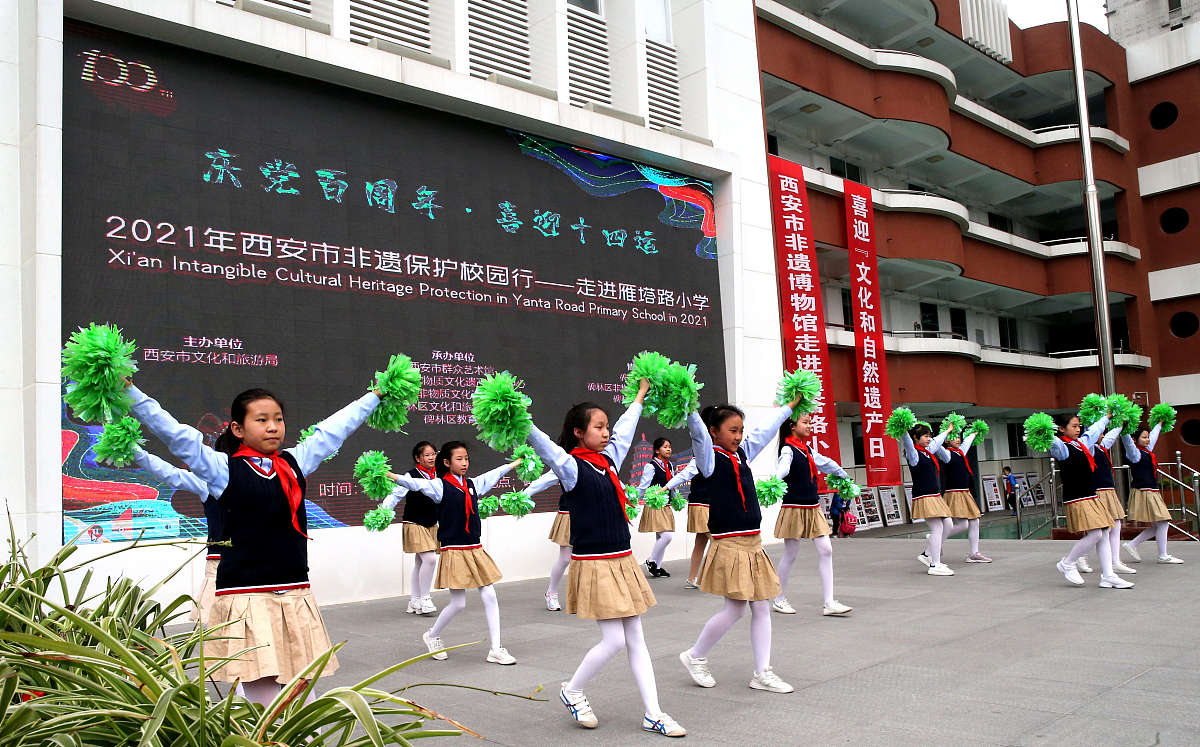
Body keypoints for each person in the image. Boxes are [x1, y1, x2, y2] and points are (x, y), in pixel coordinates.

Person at [128, 381, 382, 706]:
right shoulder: (222, 469)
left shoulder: (295, 462)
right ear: (237, 428)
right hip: (245, 595)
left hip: (293, 593)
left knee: (304, 699)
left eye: (278, 419)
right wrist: (129, 392)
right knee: (265, 708)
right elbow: (176, 435)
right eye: (261, 420)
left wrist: (374, 397)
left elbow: (332, 431)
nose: (272, 427)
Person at [525, 379, 686, 737]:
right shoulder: (569, 467)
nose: (606, 432)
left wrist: (640, 397)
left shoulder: (609, 460)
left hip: (622, 559)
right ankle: (572, 689)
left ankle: (653, 713)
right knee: (614, 641)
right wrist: (521, 419)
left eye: (606, 426)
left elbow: (626, 432)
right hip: (594, 563)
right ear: (580, 433)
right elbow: (546, 446)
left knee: (636, 638)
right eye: (598, 427)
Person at [678, 397, 803, 696]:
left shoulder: (742, 454)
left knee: (760, 608)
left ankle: (762, 672)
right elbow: (697, 434)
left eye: (740, 430)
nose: (738, 436)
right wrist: (688, 404)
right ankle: (695, 655)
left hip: (753, 542)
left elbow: (766, 430)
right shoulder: (708, 459)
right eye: (732, 430)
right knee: (735, 609)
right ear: (714, 432)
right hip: (730, 543)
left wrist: (790, 407)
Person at [384, 442, 521, 665]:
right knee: (459, 603)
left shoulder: (473, 484)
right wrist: (389, 475)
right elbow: (414, 483)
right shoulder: (439, 486)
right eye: (459, 459)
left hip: (474, 548)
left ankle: (496, 648)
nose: (464, 463)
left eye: (466, 458)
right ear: (446, 462)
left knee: (489, 593)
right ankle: (432, 634)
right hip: (454, 549)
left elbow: (494, 474)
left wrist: (515, 463)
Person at [771, 413, 853, 616]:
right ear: (792, 426)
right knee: (790, 554)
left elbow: (826, 463)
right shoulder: (788, 449)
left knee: (826, 550)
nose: (809, 426)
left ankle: (829, 602)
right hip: (794, 508)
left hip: (812, 507)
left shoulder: (807, 449)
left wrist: (844, 476)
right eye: (805, 422)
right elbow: (782, 468)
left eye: (810, 422)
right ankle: (779, 598)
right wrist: (773, 481)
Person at [131, 447, 221, 625]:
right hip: (221, 567)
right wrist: (133, 449)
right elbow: (168, 473)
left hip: (260, 571)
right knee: (221, 637)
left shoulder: (267, 478)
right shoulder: (209, 484)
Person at [1045, 412, 1132, 589]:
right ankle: (1068, 562)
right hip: (1077, 497)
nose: (1078, 429)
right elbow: (1051, 441)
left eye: (1079, 426)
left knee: (1104, 532)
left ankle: (1108, 575)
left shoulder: (1081, 444)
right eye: (1073, 426)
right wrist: (1044, 431)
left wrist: (1106, 417)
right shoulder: (1061, 447)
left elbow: (1093, 431)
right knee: (1097, 534)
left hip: (1091, 495)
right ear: (1062, 429)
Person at [897, 423, 955, 576]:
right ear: (916, 438)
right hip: (924, 496)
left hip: (934, 496)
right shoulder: (913, 454)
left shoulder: (927, 451)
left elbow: (937, 441)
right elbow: (908, 443)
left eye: (929, 435)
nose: (929, 438)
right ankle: (935, 564)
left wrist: (948, 431)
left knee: (948, 525)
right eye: (925, 436)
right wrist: (903, 429)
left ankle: (927, 554)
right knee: (938, 528)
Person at [1121, 423, 1184, 565]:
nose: (1148, 439)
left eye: (1147, 437)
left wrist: (1159, 424)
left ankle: (1132, 544)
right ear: (1135, 439)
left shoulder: (1146, 451)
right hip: (1145, 491)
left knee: (1159, 524)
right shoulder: (1134, 454)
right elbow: (1128, 443)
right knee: (1163, 521)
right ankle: (1162, 555)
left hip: (1151, 491)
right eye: (1144, 437)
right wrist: (1124, 429)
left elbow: (1154, 437)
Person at [1084, 422, 1135, 575]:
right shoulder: (1089, 448)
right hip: (1098, 491)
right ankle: (1080, 556)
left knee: (1116, 523)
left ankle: (1115, 561)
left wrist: (1120, 424)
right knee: (1101, 529)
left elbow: (1111, 437)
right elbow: (1093, 435)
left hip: (1108, 491)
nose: (1103, 435)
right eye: (1100, 433)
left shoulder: (1101, 447)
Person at [398, 441, 440, 616]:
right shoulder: (410, 475)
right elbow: (395, 494)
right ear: (418, 458)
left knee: (420, 561)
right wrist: (383, 511)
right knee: (430, 559)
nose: (431, 458)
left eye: (433, 454)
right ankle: (425, 598)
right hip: (414, 522)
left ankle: (414, 600)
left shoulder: (440, 475)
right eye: (427, 455)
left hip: (432, 523)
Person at [942, 428, 992, 563]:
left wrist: (974, 433)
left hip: (965, 492)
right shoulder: (946, 453)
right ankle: (936, 538)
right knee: (963, 525)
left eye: (959, 437)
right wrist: (946, 432)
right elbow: (936, 446)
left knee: (975, 521)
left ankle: (974, 553)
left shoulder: (960, 452)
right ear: (947, 440)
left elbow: (967, 443)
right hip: (954, 493)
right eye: (954, 437)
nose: (958, 440)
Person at [637, 437, 678, 578]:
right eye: (665, 447)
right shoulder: (651, 466)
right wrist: (633, 498)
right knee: (666, 536)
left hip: (665, 504)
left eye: (670, 446)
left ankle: (657, 568)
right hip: (655, 503)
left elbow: (672, 483)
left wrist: (676, 497)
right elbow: (643, 485)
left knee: (661, 536)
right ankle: (651, 560)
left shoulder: (670, 465)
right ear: (656, 450)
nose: (669, 449)